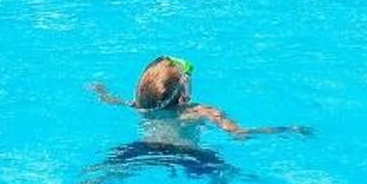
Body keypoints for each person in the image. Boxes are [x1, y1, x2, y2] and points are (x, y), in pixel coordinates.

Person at [87, 57, 305, 139]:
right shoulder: (199, 111)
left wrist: (100, 91)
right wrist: (286, 129)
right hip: (186, 154)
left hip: (145, 149)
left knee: (102, 174)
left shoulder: (139, 106)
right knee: (225, 180)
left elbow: (111, 100)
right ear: (183, 92)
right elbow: (238, 133)